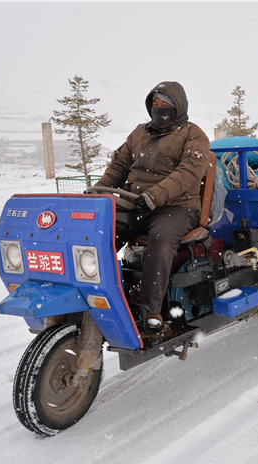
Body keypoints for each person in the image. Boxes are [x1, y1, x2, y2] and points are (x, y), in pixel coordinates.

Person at [93, 81, 210, 329]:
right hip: (135, 203)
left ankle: (151, 312)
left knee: (160, 241)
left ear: (178, 107)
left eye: (165, 104)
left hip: (176, 207)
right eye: (155, 104)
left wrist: (156, 196)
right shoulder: (138, 133)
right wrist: (99, 190)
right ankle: (95, 291)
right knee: (99, 234)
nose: (159, 109)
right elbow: (118, 166)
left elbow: (189, 172)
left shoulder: (193, 134)